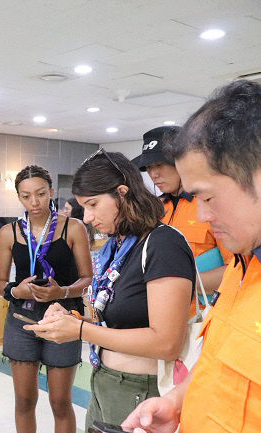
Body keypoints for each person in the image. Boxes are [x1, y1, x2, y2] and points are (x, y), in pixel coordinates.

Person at [122, 80, 261, 433]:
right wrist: (177, 401)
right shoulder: (244, 266)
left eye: (208, 198)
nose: (201, 216)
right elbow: (220, 362)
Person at [24, 150, 195, 430]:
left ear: (123, 193)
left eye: (93, 205)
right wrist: (73, 318)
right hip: (104, 378)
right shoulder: (115, 246)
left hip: (141, 390)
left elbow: (167, 343)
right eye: (83, 207)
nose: (88, 218)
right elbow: (110, 318)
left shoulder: (162, 245)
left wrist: (80, 332)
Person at [0, 165, 93, 433]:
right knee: (24, 400)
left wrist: (60, 292)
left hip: (63, 319)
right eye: (26, 196)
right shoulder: (9, 233)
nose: (34, 202)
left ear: (51, 191)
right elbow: (0, 284)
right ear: (18, 197)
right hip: (21, 319)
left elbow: (87, 279)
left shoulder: (73, 228)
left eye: (40, 194)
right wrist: (17, 291)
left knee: (60, 401)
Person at [133, 126, 232, 295]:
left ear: (181, 163)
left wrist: (177, 284)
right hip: (154, 311)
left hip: (203, 315)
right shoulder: (153, 210)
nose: (153, 174)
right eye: (148, 167)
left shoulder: (211, 206)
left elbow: (237, 270)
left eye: (159, 165)